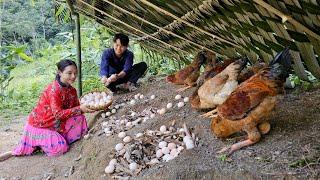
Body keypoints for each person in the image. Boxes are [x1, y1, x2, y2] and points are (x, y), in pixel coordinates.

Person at [0, 59, 96, 161]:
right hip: (41, 125)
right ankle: (40, 143)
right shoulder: (54, 90)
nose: (73, 76)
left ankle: (52, 140)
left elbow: (75, 109)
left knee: (80, 118)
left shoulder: (72, 90)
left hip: (56, 123)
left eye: (75, 73)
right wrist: (79, 108)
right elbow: (58, 114)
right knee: (61, 149)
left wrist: (86, 107)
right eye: (69, 73)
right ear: (59, 73)